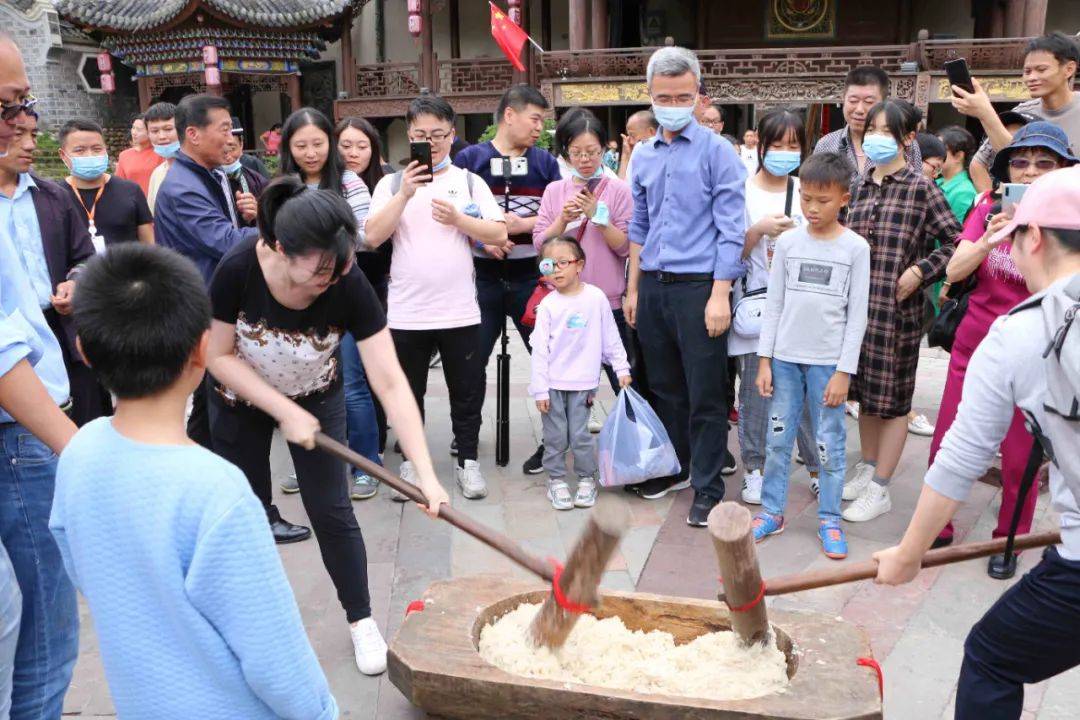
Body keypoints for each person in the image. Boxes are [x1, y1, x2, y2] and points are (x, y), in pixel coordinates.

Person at [52, 244, 340, 718]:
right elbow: (275, 657)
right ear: (202, 349)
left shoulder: (79, 452)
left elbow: (80, 564)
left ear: (82, 349)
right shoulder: (216, 491)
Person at [207, 177, 450, 675]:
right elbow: (215, 354)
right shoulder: (237, 268)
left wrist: (424, 475)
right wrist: (281, 408)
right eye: (319, 269)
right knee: (244, 518)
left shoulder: (347, 280)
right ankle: (248, 627)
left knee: (333, 513)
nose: (331, 277)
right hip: (239, 403)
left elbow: (390, 382)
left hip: (317, 396)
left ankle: (361, 621)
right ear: (278, 247)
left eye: (340, 265)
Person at [874, 165, 1080, 720]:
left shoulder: (1020, 330)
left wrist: (908, 554)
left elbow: (960, 457)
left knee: (991, 657)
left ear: (1032, 237)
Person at [928, 122, 1078, 560]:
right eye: (1020, 161)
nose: (1030, 172)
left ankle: (1008, 538)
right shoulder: (986, 206)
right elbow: (954, 271)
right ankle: (938, 525)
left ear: (1064, 169)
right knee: (948, 440)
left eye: (1044, 163)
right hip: (976, 341)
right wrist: (995, 234)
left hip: (1041, 352)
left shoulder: (1071, 222)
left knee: (1019, 457)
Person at [624, 46, 746, 526]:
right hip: (653, 285)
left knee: (706, 392)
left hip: (700, 288)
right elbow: (640, 226)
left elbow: (731, 230)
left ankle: (708, 485)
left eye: (683, 95)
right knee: (665, 386)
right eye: (663, 96)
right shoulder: (644, 156)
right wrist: (633, 290)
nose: (672, 102)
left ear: (698, 95)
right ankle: (676, 467)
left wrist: (721, 294)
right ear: (650, 96)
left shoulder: (719, 153)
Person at [366, 91, 508, 500]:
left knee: (467, 391)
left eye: (439, 134)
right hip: (407, 311)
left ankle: (468, 462)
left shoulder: (468, 181)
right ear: (408, 135)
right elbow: (373, 237)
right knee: (408, 392)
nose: (431, 142)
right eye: (421, 134)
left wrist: (460, 219)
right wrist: (405, 193)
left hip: (459, 309)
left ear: (452, 135)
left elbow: (498, 233)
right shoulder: (392, 183)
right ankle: (413, 463)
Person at [0, 30, 80, 720]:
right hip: (20, 430)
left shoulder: (47, 198)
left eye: (27, 106)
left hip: (34, 413)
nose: (27, 124)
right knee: (39, 637)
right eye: (8, 108)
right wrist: (76, 446)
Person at [840, 100, 960, 524]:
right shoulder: (855, 185)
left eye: (887, 131)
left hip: (897, 315)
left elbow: (956, 242)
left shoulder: (921, 188)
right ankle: (867, 466)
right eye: (871, 129)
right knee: (865, 398)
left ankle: (882, 487)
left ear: (908, 138)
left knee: (892, 403)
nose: (875, 137)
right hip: (855, 313)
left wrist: (919, 272)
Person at [752, 152, 871, 559]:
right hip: (784, 359)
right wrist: (764, 360)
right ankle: (771, 510)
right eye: (805, 198)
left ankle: (830, 518)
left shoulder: (856, 248)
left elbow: (857, 316)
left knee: (829, 443)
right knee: (778, 437)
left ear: (844, 199)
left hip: (827, 363)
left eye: (822, 200)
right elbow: (774, 302)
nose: (812, 208)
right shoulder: (787, 242)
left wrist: (844, 372)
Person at [453, 85, 561, 474]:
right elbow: (452, 212)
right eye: (535, 119)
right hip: (479, 274)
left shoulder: (546, 162)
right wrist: (483, 238)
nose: (539, 128)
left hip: (531, 275)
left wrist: (524, 224)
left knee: (548, 355)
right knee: (471, 358)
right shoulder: (469, 159)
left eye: (543, 122)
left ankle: (557, 436)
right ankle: (465, 434)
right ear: (509, 115)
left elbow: (557, 213)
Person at [276, 107, 381, 499]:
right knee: (301, 385)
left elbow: (361, 235)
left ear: (330, 144)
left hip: (343, 296)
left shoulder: (350, 182)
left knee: (352, 384)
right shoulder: (283, 186)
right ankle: (311, 464)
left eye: (318, 143)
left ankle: (366, 463)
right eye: (300, 145)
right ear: (289, 148)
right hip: (297, 301)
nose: (310, 152)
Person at [155, 94, 260, 449]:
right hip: (200, 308)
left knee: (207, 400)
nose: (230, 139)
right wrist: (283, 231)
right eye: (224, 129)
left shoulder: (210, 175)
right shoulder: (184, 186)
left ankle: (199, 462)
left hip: (212, 302)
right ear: (193, 134)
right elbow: (226, 240)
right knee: (214, 400)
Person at [731, 107, 823, 506]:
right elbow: (727, 255)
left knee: (805, 390)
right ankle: (754, 467)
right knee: (756, 392)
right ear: (760, 145)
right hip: (756, 305)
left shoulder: (808, 189)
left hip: (802, 307)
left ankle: (819, 467)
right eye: (777, 144)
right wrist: (756, 232)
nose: (786, 151)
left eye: (793, 145)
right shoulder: (739, 190)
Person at [0, 113, 104, 427]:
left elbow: (85, 256)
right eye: (18, 135)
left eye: (33, 134)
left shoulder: (53, 196)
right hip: (10, 338)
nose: (30, 145)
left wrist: (74, 282)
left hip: (62, 327)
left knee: (85, 424)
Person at [534, 108, 635, 395]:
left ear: (604, 148)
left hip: (608, 301)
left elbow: (626, 248)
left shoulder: (619, 190)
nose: (584, 159)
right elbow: (541, 244)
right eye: (576, 152)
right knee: (567, 381)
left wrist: (599, 218)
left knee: (624, 380)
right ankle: (563, 435)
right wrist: (563, 220)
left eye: (592, 151)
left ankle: (632, 433)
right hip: (563, 301)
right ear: (565, 152)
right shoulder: (555, 190)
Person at [530, 237, 631, 510]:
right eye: (550, 264)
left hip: (583, 382)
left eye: (564, 262)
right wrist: (539, 389)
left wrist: (621, 367)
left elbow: (611, 336)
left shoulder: (595, 297)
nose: (557, 270)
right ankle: (556, 479)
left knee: (580, 435)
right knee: (554, 436)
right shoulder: (548, 304)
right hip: (551, 384)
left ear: (579, 265)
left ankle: (587, 478)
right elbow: (539, 349)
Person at [957, 32, 1080, 193]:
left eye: (1041, 70)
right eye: (1027, 71)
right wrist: (991, 204)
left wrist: (986, 113)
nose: (1031, 77)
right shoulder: (1021, 113)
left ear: (1069, 69)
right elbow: (979, 164)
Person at [58, 119, 154, 249]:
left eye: (97, 149)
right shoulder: (54, 197)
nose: (90, 155)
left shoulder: (130, 191)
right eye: (80, 150)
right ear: (63, 155)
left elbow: (149, 245)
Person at [815, 66, 923, 175]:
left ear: (884, 103)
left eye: (868, 102)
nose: (859, 109)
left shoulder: (903, 144)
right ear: (844, 99)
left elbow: (918, 185)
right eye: (853, 101)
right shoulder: (826, 144)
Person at [221, 131, 267, 224]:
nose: (228, 157)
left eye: (232, 149)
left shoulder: (257, 179)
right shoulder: (206, 180)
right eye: (222, 150)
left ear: (241, 145)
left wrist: (257, 214)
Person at [144, 101, 179, 212]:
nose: (162, 136)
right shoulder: (157, 173)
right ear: (148, 134)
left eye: (168, 129)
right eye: (155, 131)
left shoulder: (200, 167)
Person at [114, 115, 163, 196]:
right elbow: (119, 185)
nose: (134, 132)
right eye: (133, 128)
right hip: (133, 203)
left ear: (150, 132)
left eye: (139, 130)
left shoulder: (161, 153)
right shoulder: (124, 155)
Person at [617, 108, 658, 181]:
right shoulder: (637, 156)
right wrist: (626, 157)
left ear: (651, 131)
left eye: (633, 135)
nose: (631, 142)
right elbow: (621, 189)